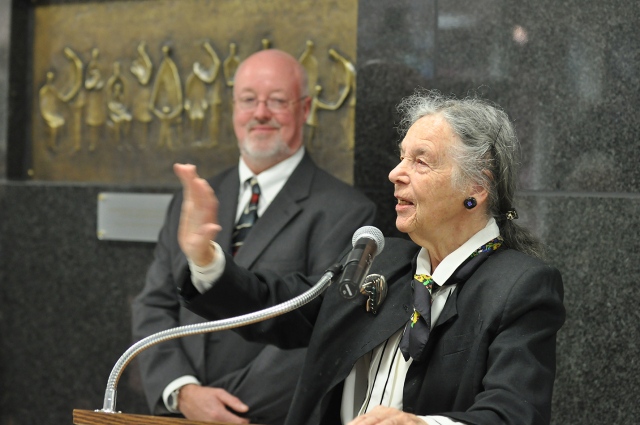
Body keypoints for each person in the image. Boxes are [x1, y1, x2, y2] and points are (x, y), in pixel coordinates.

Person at [176, 90, 566, 425]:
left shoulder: (519, 287)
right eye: (401, 157)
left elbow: (515, 413)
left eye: (421, 161)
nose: (396, 173)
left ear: (477, 186)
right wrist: (205, 258)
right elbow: (279, 306)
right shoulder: (381, 261)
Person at [131, 49, 377, 425]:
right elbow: (155, 306)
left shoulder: (346, 212)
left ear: (306, 108)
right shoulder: (194, 198)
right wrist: (182, 391)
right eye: (248, 100)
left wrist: (228, 410)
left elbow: (318, 328)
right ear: (233, 108)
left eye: (277, 101)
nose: (260, 112)